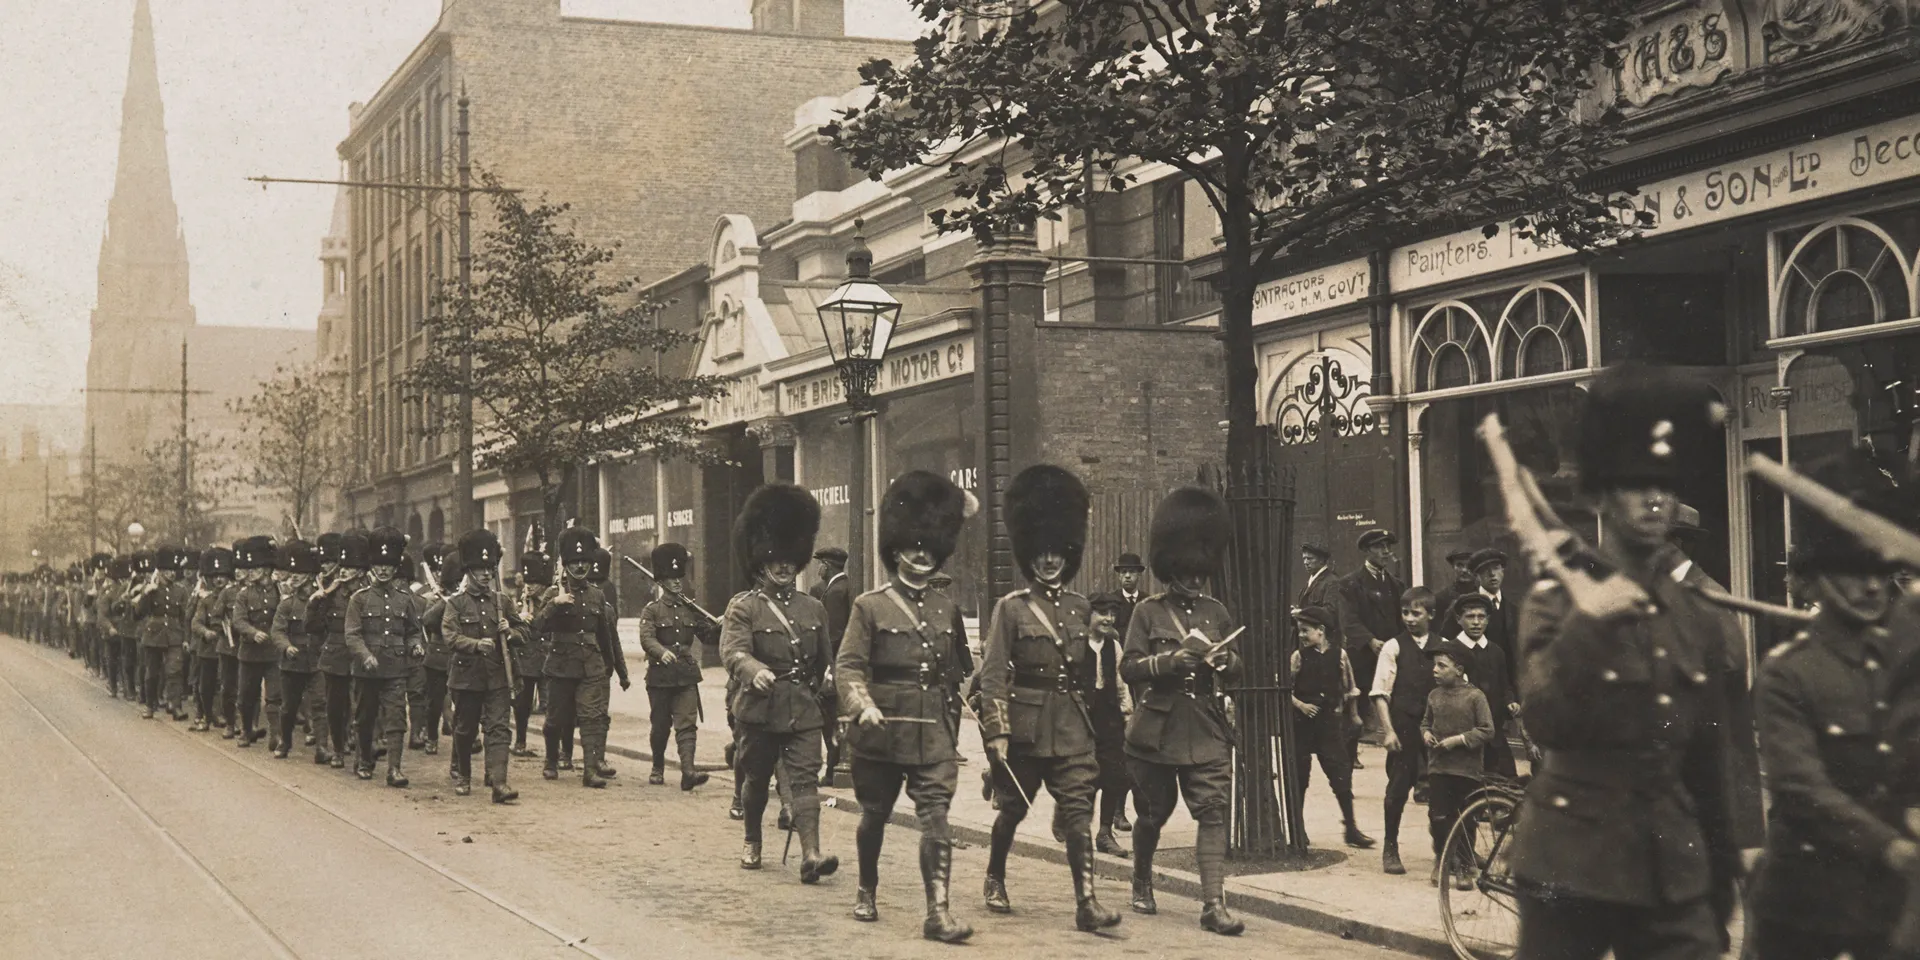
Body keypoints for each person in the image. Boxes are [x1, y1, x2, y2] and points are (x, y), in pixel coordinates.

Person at [1509, 365, 1744, 958]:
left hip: (1672, 867)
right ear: (1605, 496)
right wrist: (1592, 622)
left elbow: (1710, 763)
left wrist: (1721, 881)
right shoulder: (1558, 600)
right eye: (1637, 483)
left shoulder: (1699, 614)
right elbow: (1545, 718)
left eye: (1665, 482)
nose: (1655, 497)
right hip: (1572, 861)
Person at [1749, 449, 1912, 959]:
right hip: (1806, 910)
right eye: (1851, 570)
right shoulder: (1788, 673)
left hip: (1892, 911)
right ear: (1819, 575)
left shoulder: (1905, 663)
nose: (1870, 585)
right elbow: (1801, 788)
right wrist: (1892, 847)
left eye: (1878, 570)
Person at [976, 465, 1122, 932]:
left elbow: (1088, 672)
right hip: (1026, 727)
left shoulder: (1082, 608)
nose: (1049, 562)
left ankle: (1087, 903)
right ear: (1028, 556)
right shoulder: (1011, 608)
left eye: (1056, 553)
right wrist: (997, 734)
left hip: (1073, 727)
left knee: (1080, 812)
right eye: (1040, 554)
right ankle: (995, 876)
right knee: (1013, 809)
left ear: (1068, 553)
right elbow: (994, 676)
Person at [835, 470, 976, 941]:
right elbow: (847, 668)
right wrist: (862, 706)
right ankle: (866, 888)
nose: (922, 555)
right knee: (874, 814)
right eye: (914, 547)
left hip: (933, 731)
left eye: (930, 549)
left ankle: (938, 912)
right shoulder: (869, 605)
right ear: (895, 550)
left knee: (936, 817)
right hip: (881, 730)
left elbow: (957, 669)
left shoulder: (945, 607)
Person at [1122, 486, 1245, 936]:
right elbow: (1129, 665)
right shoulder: (1147, 613)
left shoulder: (1217, 611)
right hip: (1158, 726)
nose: (1195, 581)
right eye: (1187, 573)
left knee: (1213, 810)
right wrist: (1169, 663)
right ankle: (1141, 877)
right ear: (1171, 568)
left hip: (1206, 727)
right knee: (1153, 813)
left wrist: (1224, 661)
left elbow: (1237, 667)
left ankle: (1213, 904)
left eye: (1201, 573)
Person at [721, 484, 837, 882]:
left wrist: (835, 678)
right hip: (759, 708)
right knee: (756, 777)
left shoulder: (814, 608)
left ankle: (812, 853)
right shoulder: (744, 607)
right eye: (776, 560)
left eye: (791, 560)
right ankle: (752, 838)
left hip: (803, 707)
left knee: (805, 778)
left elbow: (828, 659)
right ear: (761, 563)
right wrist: (755, 671)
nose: (785, 567)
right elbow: (733, 652)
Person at [441, 528, 520, 804]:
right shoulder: (456, 604)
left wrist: (510, 631)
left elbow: (525, 634)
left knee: (499, 728)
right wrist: (475, 644)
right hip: (466, 677)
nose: (486, 574)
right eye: (480, 569)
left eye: (490, 568)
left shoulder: (502, 602)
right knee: (465, 729)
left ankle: (499, 782)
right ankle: (463, 774)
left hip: (497, 676)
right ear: (468, 571)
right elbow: (449, 636)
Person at [344, 527, 425, 787]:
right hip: (367, 670)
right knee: (365, 718)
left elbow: (413, 631)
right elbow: (352, 635)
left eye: (388, 566)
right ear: (371, 566)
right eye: (378, 565)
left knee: (397, 718)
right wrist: (365, 656)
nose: (383, 570)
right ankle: (364, 760)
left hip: (395, 669)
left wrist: (415, 646)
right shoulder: (359, 599)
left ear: (395, 567)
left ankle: (394, 769)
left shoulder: (404, 600)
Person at [1289, 605, 1374, 850]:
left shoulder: (1340, 656)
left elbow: (1351, 689)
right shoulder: (1297, 657)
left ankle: (1351, 827)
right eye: (1299, 631)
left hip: (1330, 725)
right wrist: (1301, 705)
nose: (1302, 636)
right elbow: (1285, 691)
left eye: (1306, 631)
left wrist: (1355, 716)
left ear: (1321, 631)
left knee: (1341, 774)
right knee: (1299, 777)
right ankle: (1298, 828)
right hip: (1302, 725)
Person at [1371, 585, 1438, 875]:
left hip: (1435, 731)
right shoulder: (1393, 646)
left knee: (1441, 791)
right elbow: (1379, 693)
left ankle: (1445, 852)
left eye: (1416, 613)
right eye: (1405, 613)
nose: (1410, 619)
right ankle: (1390, 847)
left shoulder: (1442, 644)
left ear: (1431, 615)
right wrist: (1388, 731)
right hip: (1404, 727)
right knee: (1398, 789)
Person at [638, 542, 713, 790]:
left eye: (679, 576)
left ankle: (688, 771)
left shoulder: (691, 609)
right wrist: (661, 652)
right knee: (660, 726)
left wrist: (722, 624)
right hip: (660, 676)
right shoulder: (652, 610)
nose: (678, 582)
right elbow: (647, 638)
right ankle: (657, 766)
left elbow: (708, 636)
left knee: (687, 722)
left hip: (686, 673)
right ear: (661, 582)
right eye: (671, 578)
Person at [1421, 640, 1492, 890]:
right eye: (1434, 665)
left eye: (1442, 666)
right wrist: (1426, 734)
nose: (1435, 670)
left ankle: (1464, 864)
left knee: (1466, 818)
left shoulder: (1475, 696)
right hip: (1439, 767)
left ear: (1459, 669)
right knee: (1438, 817)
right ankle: (1442, 859)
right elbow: (1425, 723)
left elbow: (1487, 730)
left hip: (1467, 770)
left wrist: (1458, 741)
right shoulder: (1434, 695)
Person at [1337, 529, 1404, 768]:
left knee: (1393, 702)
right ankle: (1348, 756)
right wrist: (1370, 641)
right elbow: (1348, 620)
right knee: (1357, 706)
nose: (1386, 551)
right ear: (1366, 551)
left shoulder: (1396, 585)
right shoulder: (1350, 584)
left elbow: (1400, 619)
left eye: (1388, 546)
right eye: (1379, 547)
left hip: (1390, 655)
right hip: (1363, 655)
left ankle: (1396, 753)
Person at [311, 533, 369, 769]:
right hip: (335, 658)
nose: (344, 571)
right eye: (342, 565)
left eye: (351, 566)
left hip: (361, 657)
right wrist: (321, 596)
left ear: (362, 571)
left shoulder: (370, 595)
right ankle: (337, 749)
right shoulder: (330, 594)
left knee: (362, 707)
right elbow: (313, 626)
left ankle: (361, 749)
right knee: (335, 707)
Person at [1446, 593, 1519, 779]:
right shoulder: (1450, 651)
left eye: (1481, 617)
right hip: (1463, 734)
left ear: (1488, 619)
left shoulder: (1495, 652)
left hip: (1493, 733)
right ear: (1458, 619)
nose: (1476, 622)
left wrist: (1510, 701)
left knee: (1507, 781)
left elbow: (1504, 686)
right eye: (1470, 617)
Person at [1086, 591, 1134, 858]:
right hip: (1081, 720)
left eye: (1112, 614)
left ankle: (1105, 833)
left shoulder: (1113, 646)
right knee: (1084, 778)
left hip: (1109, 718)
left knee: (1115, 774)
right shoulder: (1075, 644)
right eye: (1102, 613)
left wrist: (1127, 714)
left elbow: (1120, 683)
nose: (1109, 618)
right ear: (1089, 614)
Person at [271, 539, 323, 762]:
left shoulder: (321, 601)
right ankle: (285, 742)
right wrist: (286, 647)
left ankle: (322, 747)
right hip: (292, 663)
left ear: (311, 576)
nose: (294, 577)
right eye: (292, 573)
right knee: (289, 707)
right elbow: (277, 631)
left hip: (317, 661)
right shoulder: (286, 604)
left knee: (321, 705)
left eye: (299, 573)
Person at [231, 535, 282, 749]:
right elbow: (238, 620)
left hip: (272, 652)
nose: (249, 572)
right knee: (245, 696)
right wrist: (252, 633)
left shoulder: (280, 591)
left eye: (254, 568)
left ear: (266, 569)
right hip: (250, 653)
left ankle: (276, 735)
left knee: (274, 696)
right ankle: (246, 730)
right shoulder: (243, 594)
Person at [134, 546, 192, 721]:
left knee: (175, 670)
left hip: (174, 634)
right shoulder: (150, 589)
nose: (171, 574)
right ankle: (150, 705)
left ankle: (175, 705)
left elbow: (185, 617)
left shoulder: (181, 591)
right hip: (154, 634)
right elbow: (138, 613)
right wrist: (146, 594)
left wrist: (186, 638)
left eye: (173, 570)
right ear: (159, 571)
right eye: (167, 570)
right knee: (152, 672)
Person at [812, 546, 853, 786]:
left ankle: (832, 770)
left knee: (830, 719)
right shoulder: (841, 587)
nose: (818, 568)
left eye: (820, 564)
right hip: (840, 665)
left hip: (834, 666)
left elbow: (833, 635)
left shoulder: (835, 592)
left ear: (827, 566)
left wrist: (828, 667)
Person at [510, 550, 553, 757]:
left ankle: (555, 747)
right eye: (528, 581)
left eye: (534, 581)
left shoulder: (551, 598)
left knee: (553, 705)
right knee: (522, 703)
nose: (530, 585)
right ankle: (520, 740)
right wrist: (520, 616)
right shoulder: (522, 600)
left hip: (548, 657)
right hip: (527, 658)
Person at [189, 547, 235, 733]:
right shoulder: (206, 600)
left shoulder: (235, 597)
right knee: (206, 686)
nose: (218, 579)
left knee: (227, 685)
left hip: (228, 647)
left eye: (223, 575)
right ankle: (206, 715)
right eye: (215, 575)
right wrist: (205, 632)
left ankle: (226, 716)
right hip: (209, 649)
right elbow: (196, 622)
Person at [1431, 550, 1477, 638]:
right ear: (1453, 567)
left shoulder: (1483, 596)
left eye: (1469, 566)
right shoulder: (1440, 599)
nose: (1464, 570)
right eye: (1460, 565)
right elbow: (1436, 635)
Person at [1296, 543, 1337, 612]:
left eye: (1309, 559)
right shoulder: (1310, 582)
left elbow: (1330, 613)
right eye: (1304, 558)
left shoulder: (1332, 581)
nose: (1305, 562)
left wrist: (1302, 613)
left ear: (1321, 560)